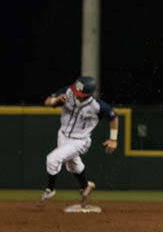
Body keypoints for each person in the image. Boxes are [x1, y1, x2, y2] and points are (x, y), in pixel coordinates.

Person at [37, 75, 119, 208]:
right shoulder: (68, 91)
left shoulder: (97, 106)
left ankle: (50, 190)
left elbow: (113, 117)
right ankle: (85, 186)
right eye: (76, 91)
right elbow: (47, 101)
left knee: (52, 159)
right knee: (72, 166)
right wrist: (56, 100)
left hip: (80, 141)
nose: (76, 94)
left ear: (89, 93)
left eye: (80, 93)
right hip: (62, 136)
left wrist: (113, 139)